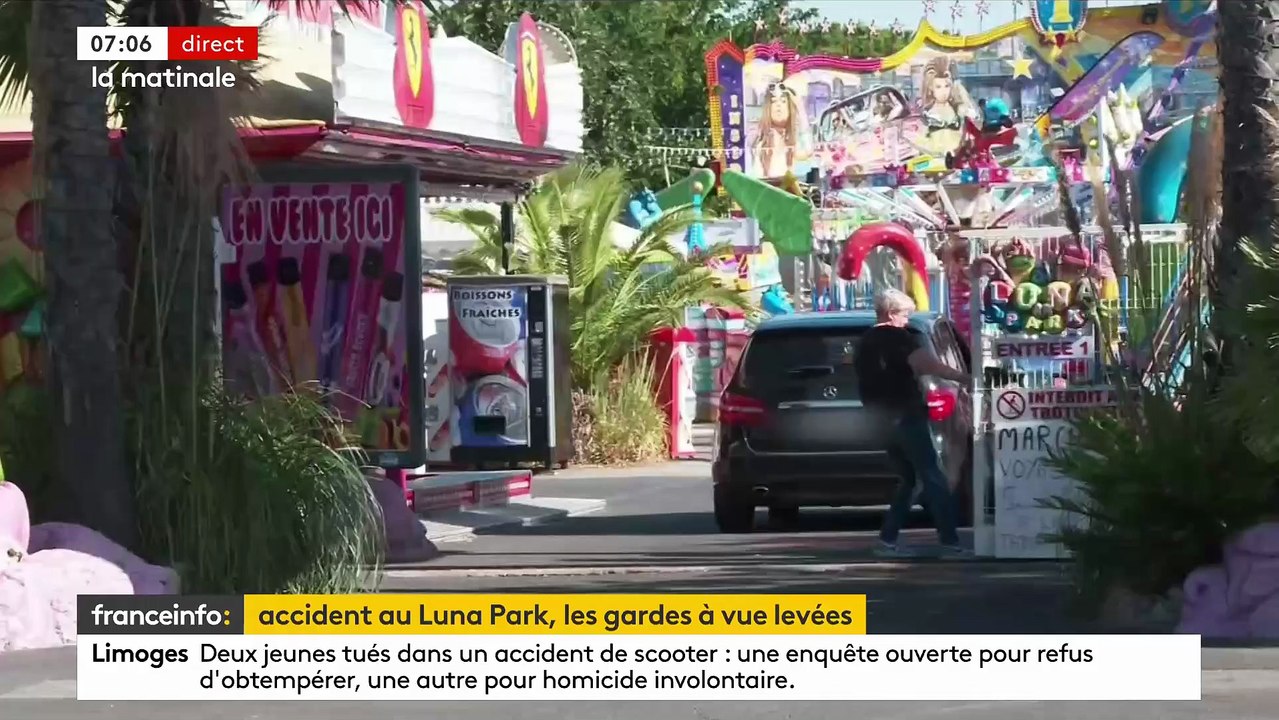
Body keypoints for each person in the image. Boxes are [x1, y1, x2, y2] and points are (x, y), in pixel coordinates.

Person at [854, 288, 972, 557]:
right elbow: (928, 365)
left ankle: (887, 539)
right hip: (905, 415)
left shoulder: (865, 341)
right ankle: (949, 541)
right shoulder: (899, 339)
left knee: (908, 478)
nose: (907, 320)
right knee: (933, 476)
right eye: (905, 314)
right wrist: (964, 378)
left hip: (878, 419)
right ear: (892, 313)